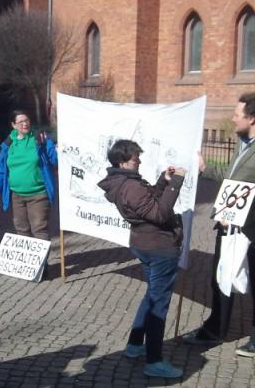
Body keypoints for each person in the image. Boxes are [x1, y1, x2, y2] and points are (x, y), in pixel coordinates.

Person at [183, 92, 255, 358]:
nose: (232, 119)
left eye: (236, 114)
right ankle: (215, 329)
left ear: (251, 118)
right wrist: (204, 169)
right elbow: (232, 180)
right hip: (229, 226)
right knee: (221, 277)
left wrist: (238, 216)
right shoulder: (243, 144)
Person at [97, 139, 187, 379]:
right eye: (136, 158)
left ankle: (135, 345)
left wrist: (162, 181)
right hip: (158, 247)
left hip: (144, 244)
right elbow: (159, 213)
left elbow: (148, 205)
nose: (139, 161)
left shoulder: (123, 183)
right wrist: (176, 182)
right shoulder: (130, 186)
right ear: (123, 161)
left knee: (151, 295)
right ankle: (154, 361)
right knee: (159, 303)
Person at [0, 110, 58, 273]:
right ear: (13, 125)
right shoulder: (8, 144)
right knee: (21, 228)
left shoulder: (39, 139)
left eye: (26, 120)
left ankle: (41, 266)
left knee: (39, 228)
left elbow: (55, 161)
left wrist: (54, 149)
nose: (25, 124)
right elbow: (1, 170)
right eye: (20, 122)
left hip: (39, 193)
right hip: (17, 194)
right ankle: (27, 266)